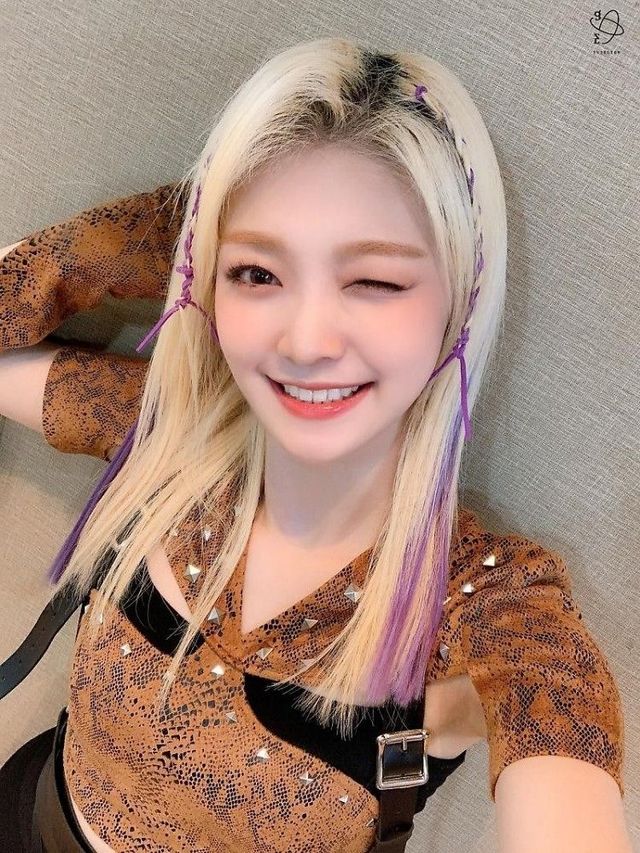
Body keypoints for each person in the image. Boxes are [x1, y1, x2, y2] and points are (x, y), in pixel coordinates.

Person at [0, 36, 630, 853]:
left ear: (461, 304)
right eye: (258, 275)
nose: (305, 341)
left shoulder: (496, 606)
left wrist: (255, 248)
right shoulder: (164, 438)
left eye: (375, 280)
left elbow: (564, 763)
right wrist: (205, 234)